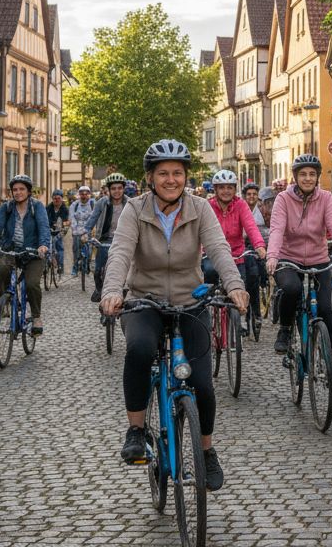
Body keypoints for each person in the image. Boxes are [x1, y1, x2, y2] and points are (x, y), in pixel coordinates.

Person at [98, 139, 248, 491]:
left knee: (201, 383)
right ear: (150, 177)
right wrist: (112, 292)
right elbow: (120, 252)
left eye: (177, 173)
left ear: (186, 177)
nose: (171, 179)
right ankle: (136, 430)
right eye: (163, 173)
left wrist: (235, 285)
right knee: (139, 349)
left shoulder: (200, 208)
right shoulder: (135, 210)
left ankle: (207, 451)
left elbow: (219, 249)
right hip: (144, 301)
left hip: (189, 301)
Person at [267, 154, 332, 384]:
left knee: (326, 309)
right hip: (288, 259)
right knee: (292, 288)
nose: (307, 178)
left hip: (318, 259)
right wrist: (272, 256)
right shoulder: (283, 199)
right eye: (303, 174)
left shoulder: (325, 198)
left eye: (312, 174)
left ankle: (328, 359)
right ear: (295, 177)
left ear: (317, 178)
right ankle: (285, 329)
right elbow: (276, 229)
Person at [0, 175, 50, 333]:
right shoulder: (7, 208)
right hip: (11, 250)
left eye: (22, 189)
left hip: (33, 252)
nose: (18, 192)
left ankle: (36, 317)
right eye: (15, 190)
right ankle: (7, 301)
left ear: (28, 191)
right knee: (2, 271)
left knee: (32, 283)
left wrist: (43, 245)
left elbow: (44, 227)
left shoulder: (37, 207)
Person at [204, 170, 266, 329]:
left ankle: (240, 317)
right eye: (222, 187)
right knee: (208, 277)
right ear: (215, 189)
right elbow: (199, 230)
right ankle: (207, 313)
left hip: (236, 255)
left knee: (240, 285)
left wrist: (259, 246)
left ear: (234, 189)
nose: (226, 191)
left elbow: (251, 227)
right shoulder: (207, 206)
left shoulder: (241, 205)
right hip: (212, 255)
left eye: (230, 187)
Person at [89, 173, 130, 302]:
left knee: (126, 271)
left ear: (123, 189)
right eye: (113, 188)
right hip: (104, 240)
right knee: (98, 270)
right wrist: (85, 232)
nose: (117, 191)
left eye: (119, 188)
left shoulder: (130, 203)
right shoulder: (102, 203)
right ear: (109, 190)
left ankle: (124, 291)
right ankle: (99, 289)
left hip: (123, 240)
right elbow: (92, 219)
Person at [70, 185, 96, 276]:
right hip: (77, 230)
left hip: (88, 230)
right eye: (82, 194)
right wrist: (74, 229)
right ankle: (75, 267)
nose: (84, 196)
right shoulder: (75, 205)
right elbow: (72, 218)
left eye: (86, 194)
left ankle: (87, 264)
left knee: (88, 250)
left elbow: (95, 218)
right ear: (79, 195)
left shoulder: (93, 204)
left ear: (89, 195)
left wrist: (91, 229)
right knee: (76, 250)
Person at [46, 189, 69, 274]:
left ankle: (60, 266)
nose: (56, 200)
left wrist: (62, 232)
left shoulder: (65, 210)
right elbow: (44, 220)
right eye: (54, 198)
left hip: (60, 230)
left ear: (62, 199)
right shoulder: (48, 208)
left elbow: (66, 223)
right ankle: (47, 263)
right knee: (47, 246)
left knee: (59, 247)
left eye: (58, 198)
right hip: (49, 230)